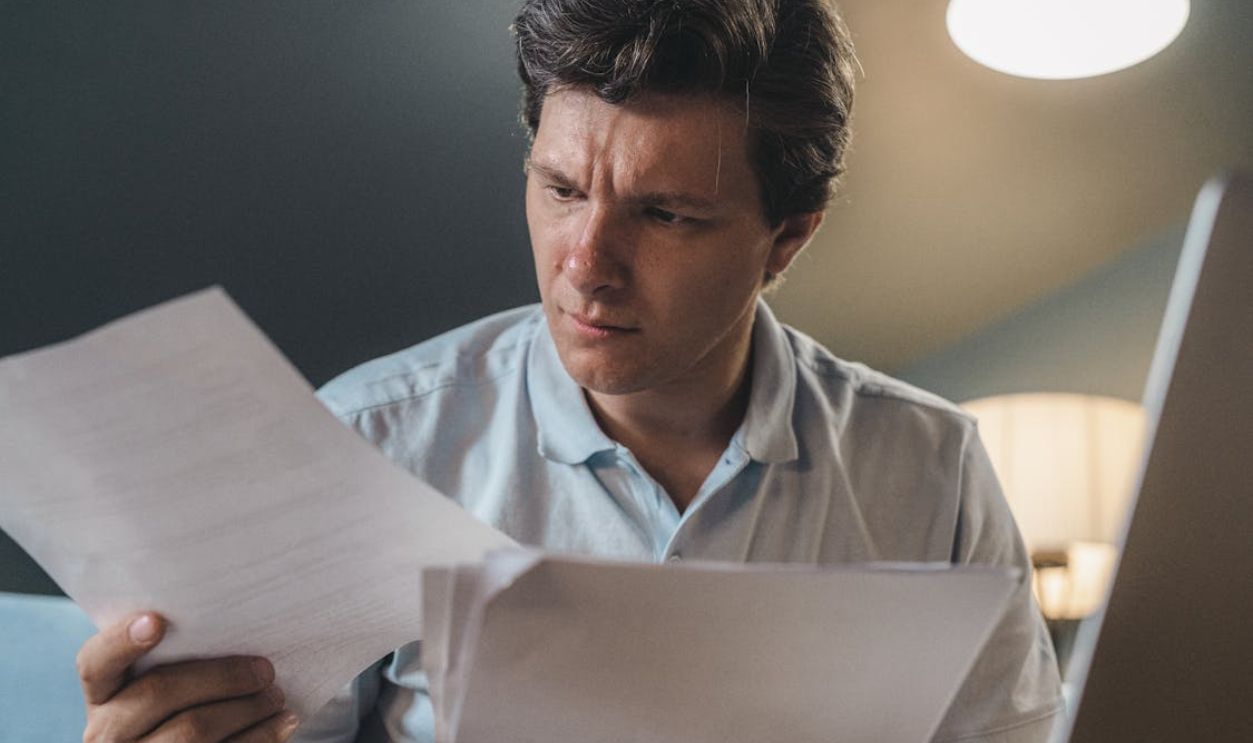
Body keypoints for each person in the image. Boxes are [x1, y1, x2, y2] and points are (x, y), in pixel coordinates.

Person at [75, 1, 1064, 741]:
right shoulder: (369, 443)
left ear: (786, 239)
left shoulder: (930, 467)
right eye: (559, 188)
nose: (584, 262)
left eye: (665, 214)